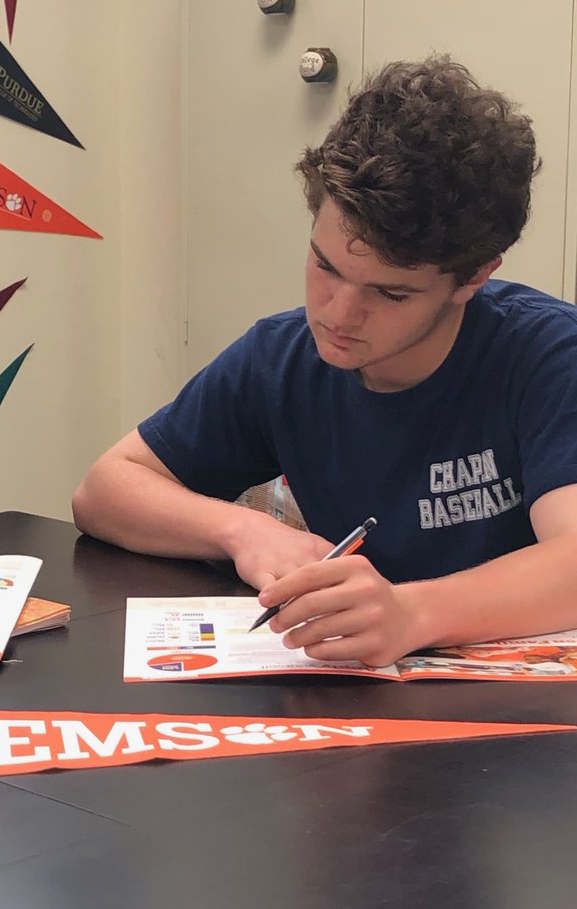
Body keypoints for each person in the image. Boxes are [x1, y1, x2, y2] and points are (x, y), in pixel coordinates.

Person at [73, 56, 577, 667]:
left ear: (473, 277)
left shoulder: (547, 354)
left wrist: (412, 613)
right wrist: (243, 531)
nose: (338, 314)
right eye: (325, 266)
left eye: (390, 293)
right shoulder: (281, 359)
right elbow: (104, 491)